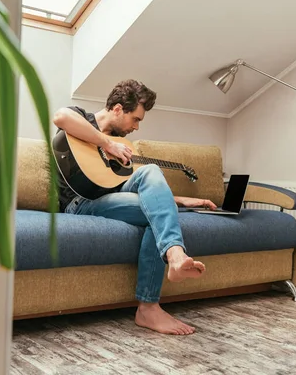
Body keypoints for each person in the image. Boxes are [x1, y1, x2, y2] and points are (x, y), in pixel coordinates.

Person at [53, 79, 217, 336]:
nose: (136, 127)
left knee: (150, 172)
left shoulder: (123, 146)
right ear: (118, 109)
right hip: (80, 202)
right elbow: (60, 117)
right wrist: (107, 144)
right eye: (135, 119)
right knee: (157, 216)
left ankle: (173, 256)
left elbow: (136, 189)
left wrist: (180, 199)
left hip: (113, 199)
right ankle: (149, 306)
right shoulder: (82, 119)